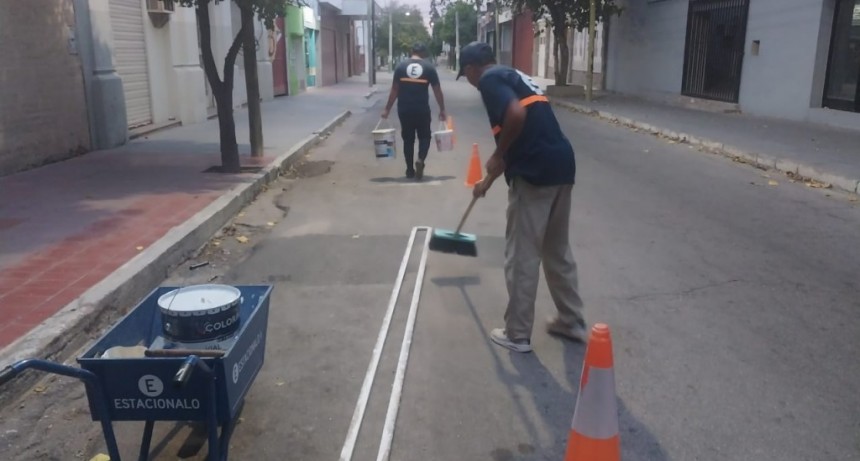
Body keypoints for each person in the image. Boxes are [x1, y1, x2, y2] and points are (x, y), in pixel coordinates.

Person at [457, 41, 587, 353]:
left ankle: (517, 333)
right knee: (556, 250)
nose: (471, 82)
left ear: (474, 68)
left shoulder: (489, 80)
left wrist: (497, 154)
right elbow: (518, 137)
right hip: (560, 164)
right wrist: (488, 179)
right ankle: (571, 321)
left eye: (467, 75)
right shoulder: (512, 74)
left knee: (521, 255)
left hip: (535, 172)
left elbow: (516, 117)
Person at [381, 43, 447, 180]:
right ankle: (421, 159)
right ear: (423, 53)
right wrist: (442, 109)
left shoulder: (401, 67)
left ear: (412, 51)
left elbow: (394, 90)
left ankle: (410, 170)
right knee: (425, 136)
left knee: (408, 139)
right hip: (421, 109)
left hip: (404, 109)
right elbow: (437, 90)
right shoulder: (429, 68)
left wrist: (387, 109)